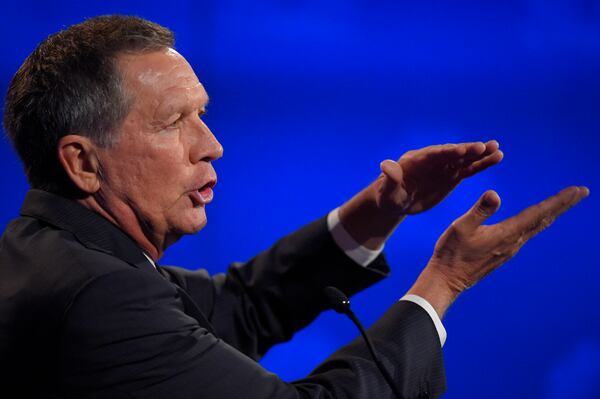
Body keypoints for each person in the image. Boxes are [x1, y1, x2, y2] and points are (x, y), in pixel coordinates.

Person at [0, 15, 588, 399]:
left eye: (202, 114)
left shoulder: (55, 254)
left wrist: (381, 207)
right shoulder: (98, 295)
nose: (211, 145)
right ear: (82, 163)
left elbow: (242, 307)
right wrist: (443, 283)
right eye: (174, 122)